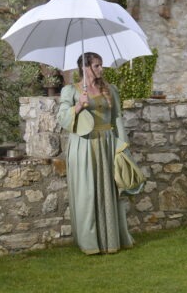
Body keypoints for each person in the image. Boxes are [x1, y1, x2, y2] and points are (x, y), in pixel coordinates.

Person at [57, 52, 134, 254]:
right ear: (84, 68)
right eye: (97, 66)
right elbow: (62, 118)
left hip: (107, 143)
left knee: (109, 190)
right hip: (83, 145)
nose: (101, 69)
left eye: (101, 65)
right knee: (87, 192)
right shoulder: (70, 91)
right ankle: (90, 242)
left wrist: (122, 146)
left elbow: (117, 118)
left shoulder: (111, 90)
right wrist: (78, 106)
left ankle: (111, 239)